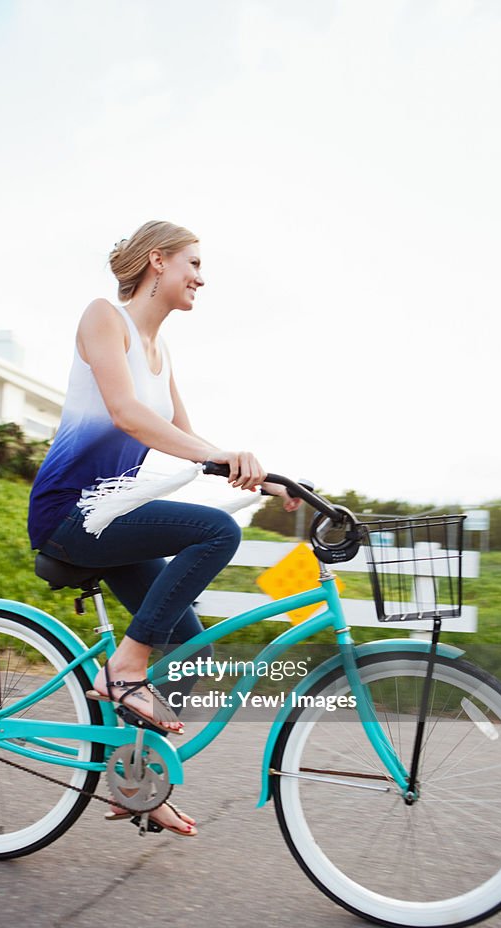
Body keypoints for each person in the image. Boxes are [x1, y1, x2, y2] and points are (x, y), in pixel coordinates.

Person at [28, 220, 299, 836]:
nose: (201, 278)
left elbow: (187, 443)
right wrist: (222, 457)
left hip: (114, 517)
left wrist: (265, 477)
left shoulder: (162, 353)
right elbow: (126, 415)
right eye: (194, 264)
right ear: (158, 261)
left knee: (190, 649)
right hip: (72, 513)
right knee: (216, 534)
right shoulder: (105, 318)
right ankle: (124, 670)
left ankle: (135, 786)